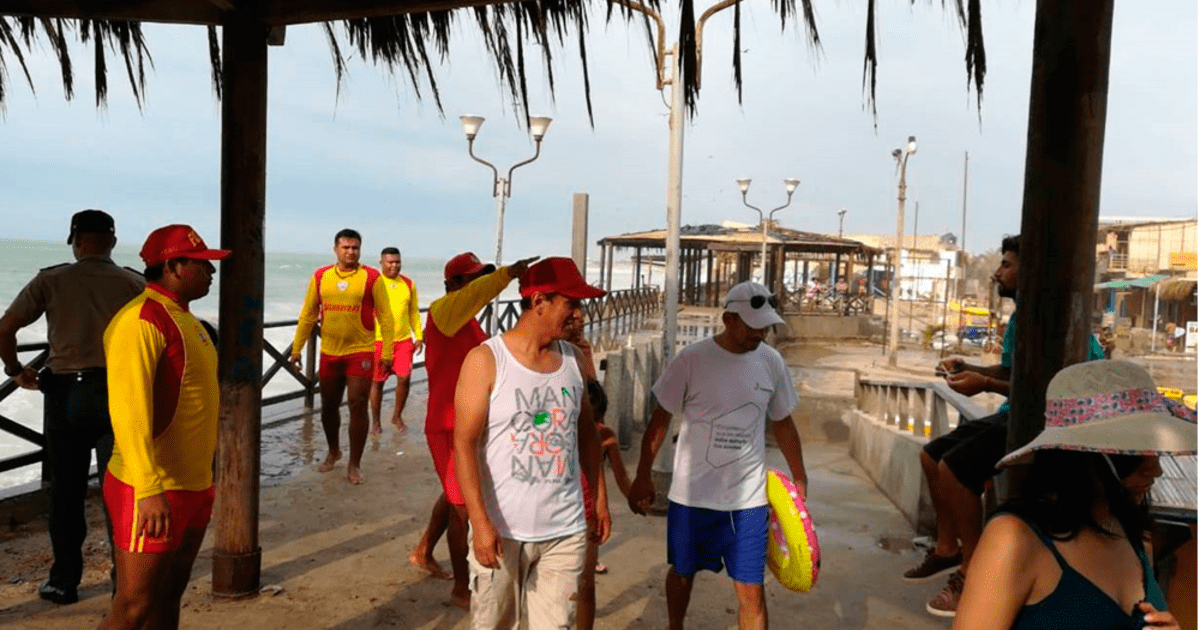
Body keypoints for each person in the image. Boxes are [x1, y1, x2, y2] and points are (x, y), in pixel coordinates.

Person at [914, 234, 1107, 617]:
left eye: (1006, 265)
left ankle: (973, 570)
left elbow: (1047, 385)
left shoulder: (1050, 318)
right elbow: (1012, 372)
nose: (997, 273)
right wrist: (970, 369)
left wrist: (985, 384)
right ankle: (946, 549)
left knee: (954, 468)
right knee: (930, 454)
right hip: (1021, 412)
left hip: (1060, 420)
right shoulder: (1021, 317)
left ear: (1030, 273)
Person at [954, 360, 1194, 630]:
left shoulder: (1138, 540)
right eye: (1134, 453)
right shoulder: (1014, 540)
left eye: (1155, 448)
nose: (1156, 470)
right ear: (1080, 456)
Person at [628, 281, 808, 630]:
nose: (761, 333)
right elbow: (660, 420)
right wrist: (642, 474)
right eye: (753, 325)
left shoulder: (772, 362)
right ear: (728, 319)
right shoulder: (691, 360)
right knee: (682, 573)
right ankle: (675, 626)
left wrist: (799, 476)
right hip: (692, 496)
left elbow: (783, 423)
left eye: (765, 326)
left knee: (751, 592)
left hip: (748, 501)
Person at [455, 256, 609, 630]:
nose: (578, 314)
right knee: (494, 624)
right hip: (502, 528)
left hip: (565, 530)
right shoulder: (486, 361)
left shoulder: (574, 360)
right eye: (570, 303)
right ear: (539, 301)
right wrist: (480, 522)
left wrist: (600, 500)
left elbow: (587, 434)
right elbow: (464, 445)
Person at [0, 210, 144, 605]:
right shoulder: (134, 283)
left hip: (65, 395)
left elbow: (4, 329)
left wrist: (16, 370)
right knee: (119, 492)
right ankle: (124, 585)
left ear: (75, 240)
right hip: (117, 394)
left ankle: (64, 582)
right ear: (113, 241)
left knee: (65, 494)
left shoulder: (52, 279)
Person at [97, 225, 230, 630]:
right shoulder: (141, 319)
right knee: (134, 606)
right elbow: (128, 411)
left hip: (192, 485)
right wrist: (149, 489)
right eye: (203, 264)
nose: (211, 273)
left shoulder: (189, 321)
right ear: (173, 266)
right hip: (151, 488)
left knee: (169, 595)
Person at [407, 252, 536, 608]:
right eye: (471, 279)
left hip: (472, 422)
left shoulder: (471, 324)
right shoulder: (442, 312)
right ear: (452, 286)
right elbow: (474, 298)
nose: (478, 285)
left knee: (455, 494)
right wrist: (507, 274)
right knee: (463, 508)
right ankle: (462, 588)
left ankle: (422, 551)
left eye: (482, 277)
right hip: (447, 425)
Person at [289, 229, 393, 485]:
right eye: (345, 247)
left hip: (360, 351)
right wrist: (296, 349)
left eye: (355, 248)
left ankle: (354, 463)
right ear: (336, 249)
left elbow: (386, 316)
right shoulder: (321, 276)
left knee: (358, 403)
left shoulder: (371, 277)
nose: (350, 252)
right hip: (330, 353)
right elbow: (308, 315)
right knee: (328, 407)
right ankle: (334, 450)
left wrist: (387, 352)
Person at [369, 247, 423, 435]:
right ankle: (375, 422)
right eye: (390, 262)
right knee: (377, 382)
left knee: (405, 378)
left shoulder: (408, 284)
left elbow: (413, 311)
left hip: (403, 341)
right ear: (381, 263)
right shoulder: (373, 283)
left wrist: (419, 335)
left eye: (397, 262)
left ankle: (397, 415)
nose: (394, 265)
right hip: (378, 341)